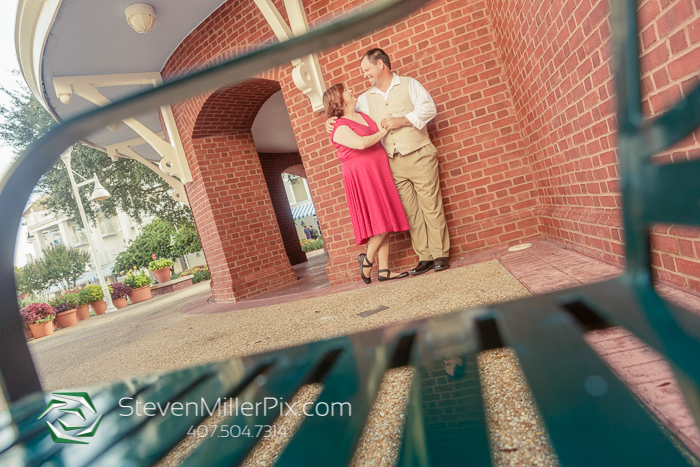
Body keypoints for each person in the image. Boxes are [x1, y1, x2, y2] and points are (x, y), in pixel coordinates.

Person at [326, 48, 450, 275]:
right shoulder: (363, 99)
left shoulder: (409, 84)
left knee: (431, 206)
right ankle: (425, 256)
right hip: (392, 162)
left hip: (418, 152)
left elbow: (429, 108)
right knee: (411, 211)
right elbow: (346, 116)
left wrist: (401, 120)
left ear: (380, 64)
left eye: (367, 69)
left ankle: (440, 254)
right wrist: (331, 122)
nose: (364, 75)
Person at [322, 83, 410, 284]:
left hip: (379, 171)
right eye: (346, 91)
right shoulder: (338, 127)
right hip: (363, 176)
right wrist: (382, 132)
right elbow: (360, 144)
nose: (351, 91)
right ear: (339, 101)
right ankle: (368, 260)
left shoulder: (362, 113)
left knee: (386, 217)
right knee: (381, 220)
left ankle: (385, 270)